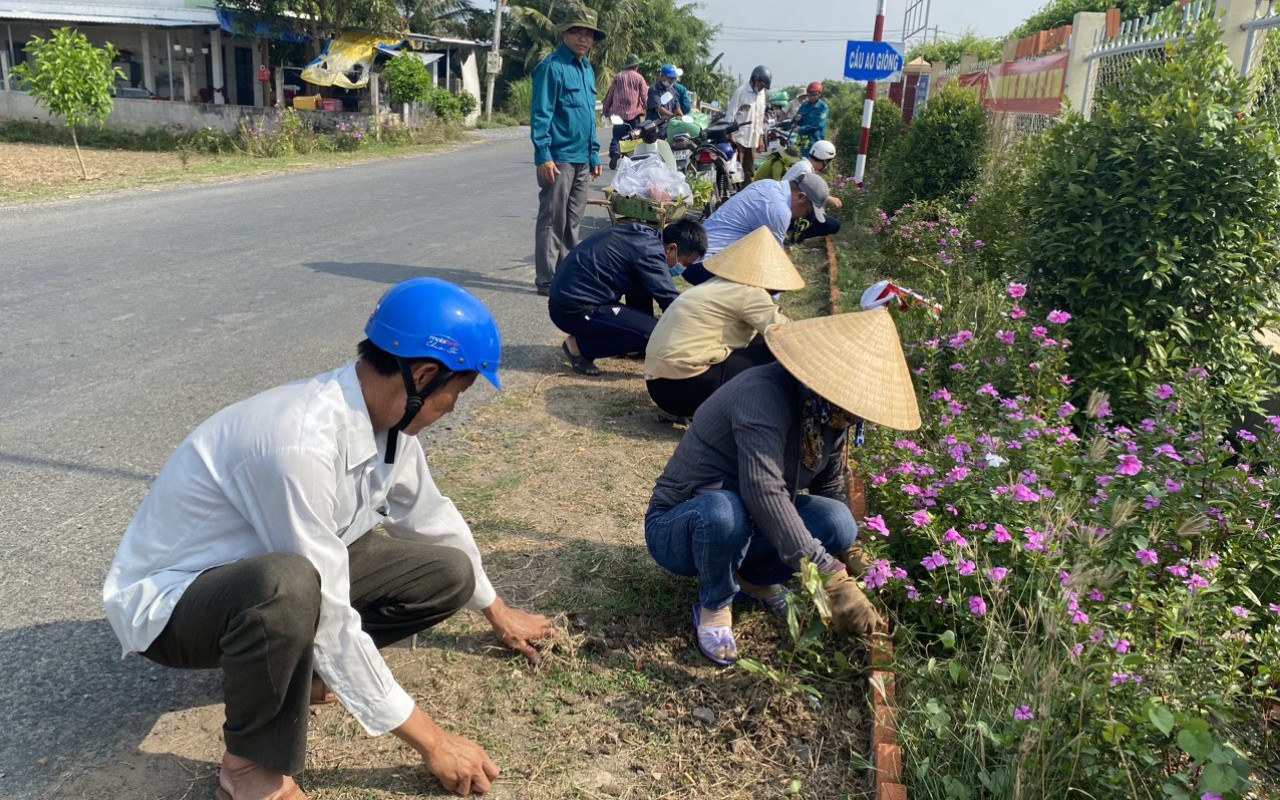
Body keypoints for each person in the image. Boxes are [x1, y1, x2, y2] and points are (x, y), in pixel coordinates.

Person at [103, 278, 554, 800]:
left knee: (448, 572)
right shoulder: (300, 442)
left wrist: (498, 612)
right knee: (289, 586)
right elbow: (329, 610)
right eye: (454, 397)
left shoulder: (387, 425)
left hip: (270, 567)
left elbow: (430, 516)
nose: (449, 409)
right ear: (424, 376)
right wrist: (433, 742)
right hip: (175, 601)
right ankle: (249, 765)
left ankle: (296, 669)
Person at [645, 307, 923, 665]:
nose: (854, 414)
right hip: (684, 525)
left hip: (748, 522)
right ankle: (715, 602)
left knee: (839, 521)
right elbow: (763, 490)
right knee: (724, 512)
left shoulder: (829, 414)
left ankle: (751, 579)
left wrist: (850, 552)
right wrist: (827, 573)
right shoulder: (761, 393)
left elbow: (830, 482)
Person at [645, 226, 802, 420]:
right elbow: (787, 335)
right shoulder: (750, 292)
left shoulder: (715, 285)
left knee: (760, 340)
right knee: (774, 351)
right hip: (684, 387)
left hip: (658, 385)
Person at [550, 219, 707, 376]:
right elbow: (669, 300)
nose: (682, 268)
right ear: (672, 248)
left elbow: (647, 289)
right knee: (654, 333)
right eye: (684, 263)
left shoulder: (643, 238)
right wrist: (699, 334)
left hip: (572, 300)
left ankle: (636, 344)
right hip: (573, 309)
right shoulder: (649, 252)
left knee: (643, 292)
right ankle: (578, 347)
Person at [530, 10, 606, 296]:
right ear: (565, 34)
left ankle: (568, 275)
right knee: (553, 219)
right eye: (578, 32)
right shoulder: (551, 67)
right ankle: (547, 280)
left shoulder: (587, 68)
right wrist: (543, 155)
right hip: (559, 157)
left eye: (589, 34)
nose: (583, 39)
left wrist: (595, 154)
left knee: (574, 221)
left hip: (583, 159)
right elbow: (541, 114)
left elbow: (589, 117)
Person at [679, 171, 829, 286]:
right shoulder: (779, 211)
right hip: (707, 266)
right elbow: (772, 266)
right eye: (808, 211)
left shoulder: (767, 185)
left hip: (697, 258)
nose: (803, 217)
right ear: (801, 197)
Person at [782, 140, 843, 242]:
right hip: (790, 210)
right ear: (825, 161)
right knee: (834, 225)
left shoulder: (803, 165)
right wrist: (827, 198)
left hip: (788, 207)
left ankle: (793, 233)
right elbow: (806, 196)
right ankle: (794, 236)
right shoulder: (805, 170)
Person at [603, 54, 648, 170]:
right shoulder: (639, 78)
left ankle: (616, 152)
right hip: (635, 114)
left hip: (618, 114)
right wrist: (647, 109)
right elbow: (644, 96)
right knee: (634, 137)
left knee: (617, 137)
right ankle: (632, 160)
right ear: (635, 66)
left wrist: (606, 110)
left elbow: (610, 95)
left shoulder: (618, 77)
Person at [727, 65, 770, 182]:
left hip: (753, 139)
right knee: (736, 170)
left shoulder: (762, 95)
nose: (761, 88)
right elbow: (731, 114)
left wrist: (761, 138)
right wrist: (730, 134)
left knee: (749, 172)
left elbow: (760, 117)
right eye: (761, 85)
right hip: (739, 138)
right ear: (754, 79)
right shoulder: (741, 92)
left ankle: (746, 195)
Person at [646, 64, 692, 138]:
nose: (672, 81)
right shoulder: (654, 90)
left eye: (674, 78)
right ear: (662, 76)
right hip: (655, 127)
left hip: (668, 128)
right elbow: (659, 108)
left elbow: (677, 107)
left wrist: (681, 116)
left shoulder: (673, 91)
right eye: (670, 78)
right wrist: (673, 116)